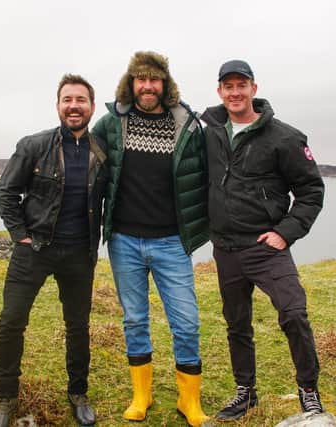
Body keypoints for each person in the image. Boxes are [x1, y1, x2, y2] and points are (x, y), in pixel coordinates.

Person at [200, 59, 325, 420]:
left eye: (242, 85)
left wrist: (285, 233)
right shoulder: (209, 131)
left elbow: (311, 191)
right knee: (237, 323)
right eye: (228, 86)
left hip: (266, 249)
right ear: (220, 91)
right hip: (226, 248)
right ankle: (246, 392)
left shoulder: (284, 137)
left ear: (254, 89)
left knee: (294, 314)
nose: (235, 92)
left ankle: (309, 390)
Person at [92, 51, 210, 426]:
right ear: (131, 83)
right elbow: (82, 158)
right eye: (140, 79)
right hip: (124, 241)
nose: (147, 86)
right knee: (135, 320)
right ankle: (141, 394)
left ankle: (188, 400)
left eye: (154, 79)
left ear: (165, 84)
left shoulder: (186, 124)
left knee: (187, 322)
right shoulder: (112, 124)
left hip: (171, 242)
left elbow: (207, 173)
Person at [0, 74, 107, 427]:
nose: (74, 106)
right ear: (58, 105)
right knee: (11, 323)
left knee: (78, 326)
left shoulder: (101, 152)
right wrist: (20, 235)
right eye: (67, 99)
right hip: (34, 250)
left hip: (80, 253)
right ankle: (5, 399)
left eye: (81, 100)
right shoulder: (33, 146)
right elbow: (7, 193)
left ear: (91, 107)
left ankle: (78, 393)